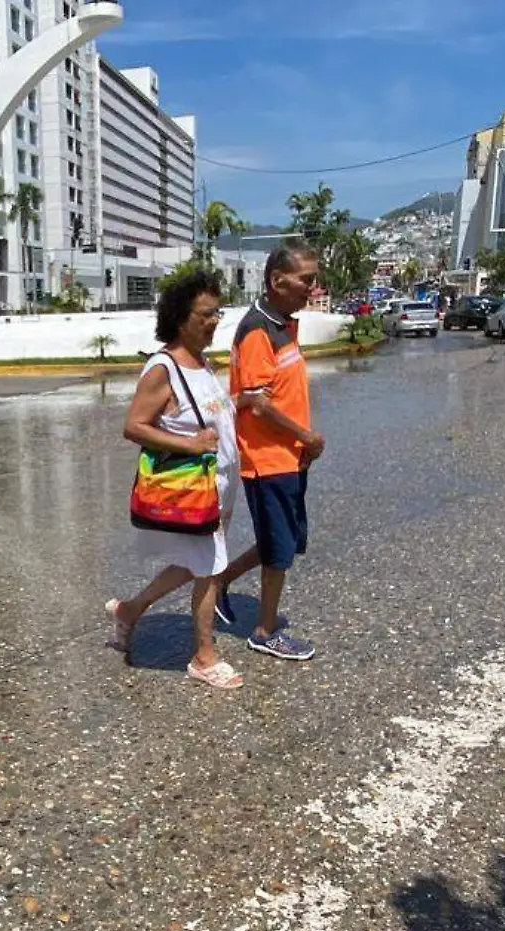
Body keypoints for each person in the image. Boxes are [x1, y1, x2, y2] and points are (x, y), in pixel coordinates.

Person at [107, 268, 244, 690]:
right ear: (180, 318)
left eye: (217, 312)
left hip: (218, 487)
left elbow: (206, 415)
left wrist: (244, 403)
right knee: (209, 569)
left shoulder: (201, 363)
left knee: (197, 562)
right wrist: (190, 446)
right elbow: (134, 426)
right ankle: (204, 657)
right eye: (206, 314)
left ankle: (130, 610)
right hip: (192, 488)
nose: (215, 321)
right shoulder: (163, 368)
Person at [212, 239, 323, 662]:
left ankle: (222, 581)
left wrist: (302, 442)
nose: (312, 289)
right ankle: (264, 630)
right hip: (268, 459)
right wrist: (306, 436)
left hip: (289, 454)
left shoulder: (281, 322)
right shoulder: (259, 330)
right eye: (306, 280)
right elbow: (256, 402)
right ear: (278, 281)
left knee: (285, 540)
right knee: (279, 547)